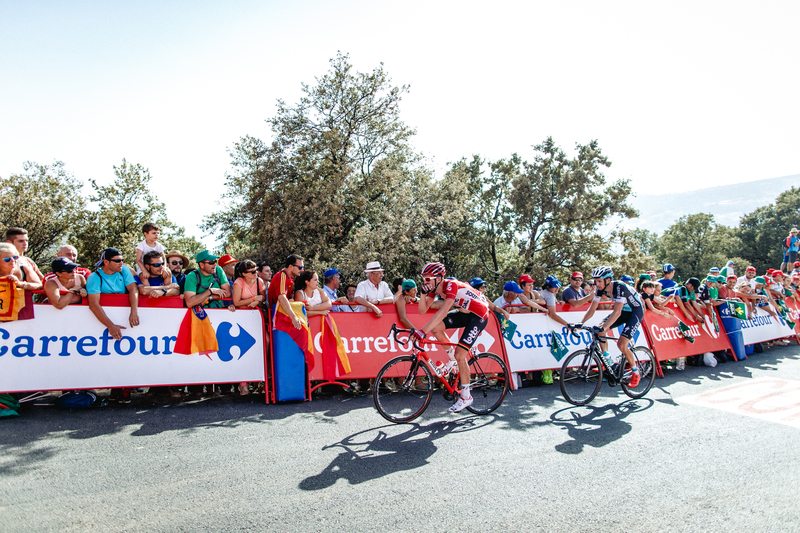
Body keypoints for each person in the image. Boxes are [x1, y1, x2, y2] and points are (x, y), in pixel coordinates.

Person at [415, 262, 492, 412]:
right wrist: (423, 294)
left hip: (478, 316)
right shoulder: (433, 289)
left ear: (439, 278)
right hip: (464, 314)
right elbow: (423, 310)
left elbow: (443, 312)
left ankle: (466, 396)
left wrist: (422, 331)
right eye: (424, 279)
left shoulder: (451, 285)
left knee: (460, 354)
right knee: (436, 329)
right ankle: (452, 360)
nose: (425, 282)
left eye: (428, 279)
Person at [86, 247, 140, 403]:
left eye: (122, 260)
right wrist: (110, 325)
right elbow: (93, 304)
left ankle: (123, 389)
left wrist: (134, 311)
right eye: (117, 261)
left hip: (124, 318)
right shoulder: (94, 277)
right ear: (106, 262)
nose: (121, 263)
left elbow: (133, 289)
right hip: (103, 320)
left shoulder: (123, 271)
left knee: (125, 354)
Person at [579, 266, 644, 388]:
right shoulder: (600, 290)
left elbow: (617, 312)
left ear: (607, 280)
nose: (596, 284)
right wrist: (580, 323)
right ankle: (607, 360)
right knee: (599, 331)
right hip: (623, 312)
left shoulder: (620, 287)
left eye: (599, 281)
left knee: (621, 344)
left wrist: (605, 327)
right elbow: (592, 308)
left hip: (635, 312)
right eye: (595, 281)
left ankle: (636, 372)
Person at [268, 255, 304, 329]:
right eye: (300, 267)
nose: (302, 270)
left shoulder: (291, 278)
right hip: (277, 315)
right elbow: (282, 298)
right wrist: (294, 317)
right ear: (290, 266)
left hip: (283, 314)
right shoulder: (281, 275)